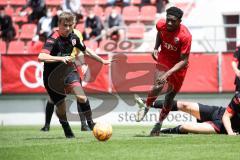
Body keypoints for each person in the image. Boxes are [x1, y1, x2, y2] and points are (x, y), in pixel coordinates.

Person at [38, 12, 112, 138]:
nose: (67, 28)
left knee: (82, 97)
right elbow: (41, 57)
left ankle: (90, 122)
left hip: (68, 71)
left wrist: (102, 60)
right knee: (61, 108)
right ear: (59, 25)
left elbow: (86, 50)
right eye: (64, 25)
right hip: (52, 78)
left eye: (69, 25)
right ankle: (66, 129)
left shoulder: (73, 37)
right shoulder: (53, 38)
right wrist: (60, 59)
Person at [136, 7, 192, 136]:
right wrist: (156, 47)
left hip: (179, 66)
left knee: (169, 97)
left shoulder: (185, 36)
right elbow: (159, 34)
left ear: (179, 21)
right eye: (168, 20)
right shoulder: (161, 24)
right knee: (158, 84)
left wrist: (168, 74)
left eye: (173, 21)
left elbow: (184, 61)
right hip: (164, 59)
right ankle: (146, 107)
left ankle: (159, 124)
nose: (170, 23)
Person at [135, 93, 240, 135]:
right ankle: (147, 104)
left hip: (220, 127)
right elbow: (226, 116)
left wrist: (230, 131)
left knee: (186, 127)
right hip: (219, 113)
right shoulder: (238, 96)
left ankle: (160, 132)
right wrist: (231, 133)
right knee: (185, 105)